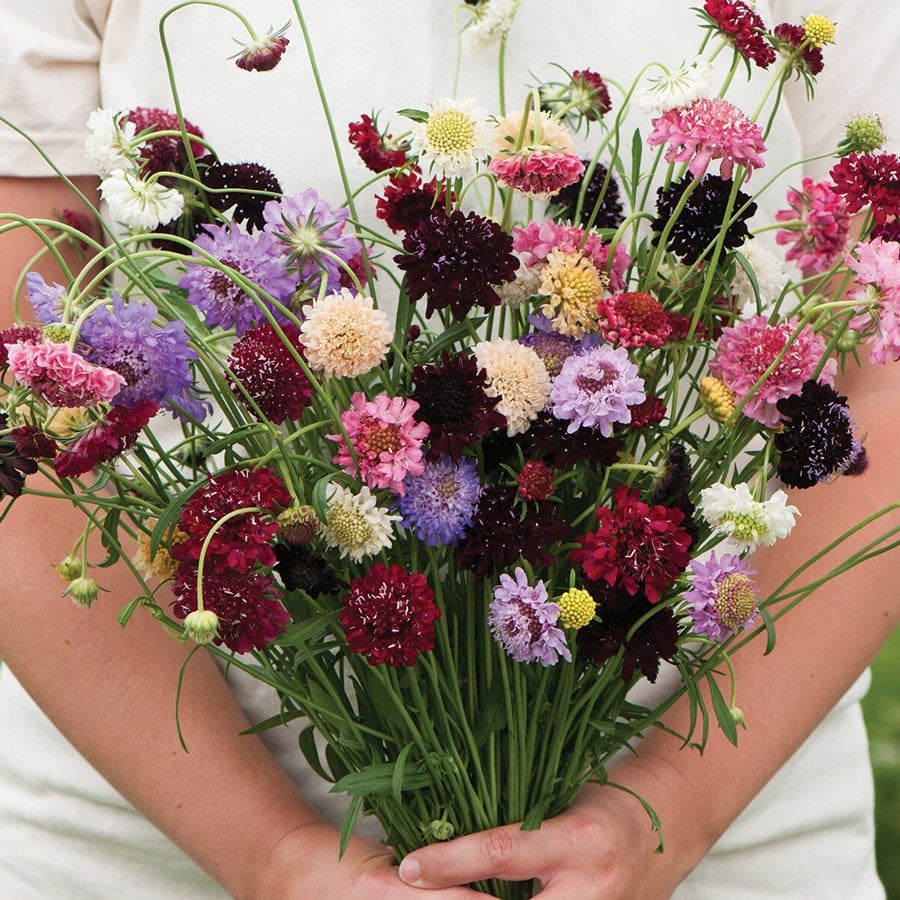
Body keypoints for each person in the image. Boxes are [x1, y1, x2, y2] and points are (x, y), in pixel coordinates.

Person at [0, 1, 897, 897]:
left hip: (720, 847)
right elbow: (23, 404)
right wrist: (274, 857)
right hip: (159, 848)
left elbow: (883, 372)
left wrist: (666, 809)